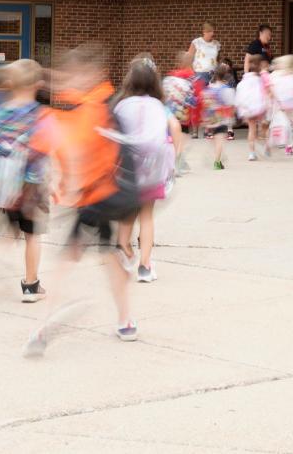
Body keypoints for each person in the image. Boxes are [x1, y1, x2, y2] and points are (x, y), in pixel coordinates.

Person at [24, 44, 140, 357]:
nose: (66, 83)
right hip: (103, 197)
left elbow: (76, 143)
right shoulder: (99, 101)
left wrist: (65, 184)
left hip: (97, 199)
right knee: (109, 258)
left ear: (88, 75)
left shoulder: (93, 110)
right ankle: (126, 320)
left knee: (65, 262)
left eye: (73, 76)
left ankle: (41, 329)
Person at [0, 59, 51, 303]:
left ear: (11, 84)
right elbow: (47, 148)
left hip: (5, 185)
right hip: (31, 186)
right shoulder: (40, 116)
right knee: (32, 235)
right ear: (38, 85)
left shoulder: (1, 114)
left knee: (8, 233)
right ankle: (31, 287)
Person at [110, 55, 178, 283]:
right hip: (152, 170)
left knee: (127, 215)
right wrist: (174, 156)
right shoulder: (159, 106)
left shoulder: (121, 106)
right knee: (147, 216)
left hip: (127, 170)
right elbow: (173, 129)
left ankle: (125, 250)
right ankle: (145, 266)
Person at [270, 55, 293, 156]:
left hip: (279, 104)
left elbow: (271, 89)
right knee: (289, 125)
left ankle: (279, 140)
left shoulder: (276, 75)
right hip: (291, 105)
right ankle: (289, 145)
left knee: (280, 122)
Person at [235, 54, 270, 161]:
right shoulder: (261, 79)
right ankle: (266, 147)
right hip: (260, 107)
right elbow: (266, 92)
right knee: (265, 126)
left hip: (249, 108)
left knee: (251, 130)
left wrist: (241, 107)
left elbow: (240, 93)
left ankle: (251, 153)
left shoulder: (245, 80)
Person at [202, 63, 236, 170]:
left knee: (215, 137)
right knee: (220, 138)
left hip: (211, 116)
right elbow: (231, 105)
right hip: (222, 117)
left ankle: (217, 154)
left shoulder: (209, 87)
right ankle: (217, 161)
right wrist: (232, 116)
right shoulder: (227, 89)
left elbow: (205, 102)